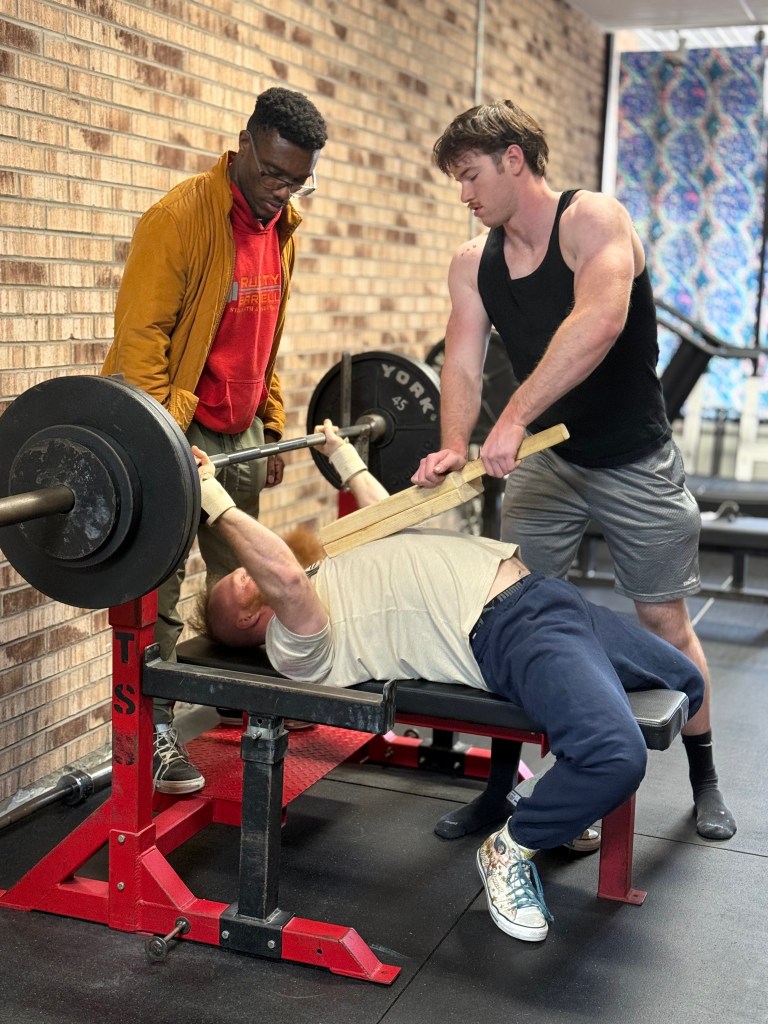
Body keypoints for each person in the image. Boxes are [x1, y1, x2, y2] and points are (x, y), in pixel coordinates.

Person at [190, 421, 705, 943]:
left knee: (686, 681)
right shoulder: (294, 643)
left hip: (545, 595)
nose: (248, 571)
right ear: (250, 623)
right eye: (240, 583)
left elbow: (388, 516)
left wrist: (343, 455)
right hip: (507, 628)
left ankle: (569, 803)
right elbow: (285, 577)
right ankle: (513, 846)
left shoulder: (330, 565)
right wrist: (210, 493)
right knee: (614, 755)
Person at [410, 99, 735, 842]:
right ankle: (501, 789)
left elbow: (599, 320)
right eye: (457, 181)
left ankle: (705, 778)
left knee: (663, 621)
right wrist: (456, 442)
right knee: (512, 620)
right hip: (548, 463)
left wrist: (514, 416)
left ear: (515, 159)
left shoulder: (593, 221)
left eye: (470, 176)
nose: (464, 194)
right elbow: (461, 354)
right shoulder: (474, 262)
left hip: (632, 457)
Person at [101, 87, 328, 794]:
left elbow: (267, 338)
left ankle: (247, 699)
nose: (282, 191)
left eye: (297, 180)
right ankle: (158, 730)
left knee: (248, 584)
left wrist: (275, 423)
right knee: (160, 584)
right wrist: (168, 441)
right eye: (273, 174)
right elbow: (141, 345)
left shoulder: (281, 225)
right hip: (177, 422)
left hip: (241, 428)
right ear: (246, 145)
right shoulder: (178, 220)